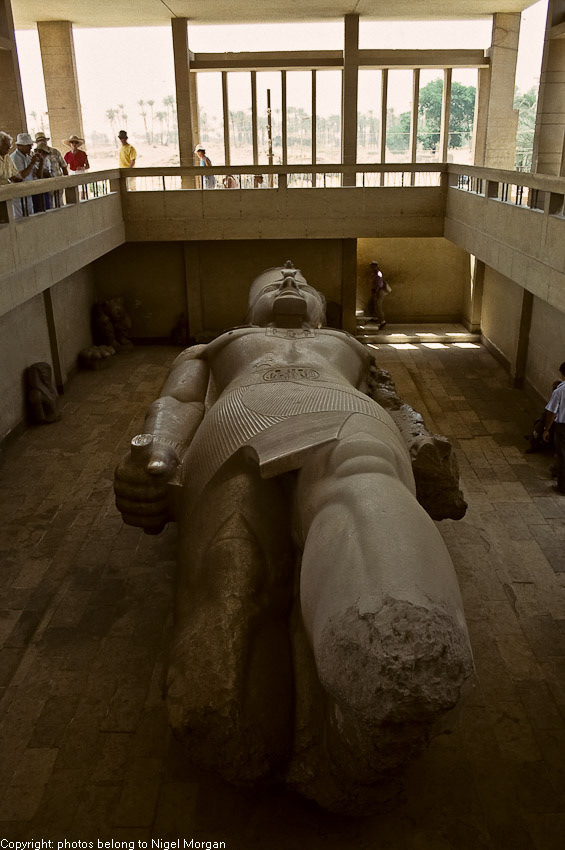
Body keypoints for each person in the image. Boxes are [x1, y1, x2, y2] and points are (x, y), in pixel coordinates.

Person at [114, 262, 473, 813]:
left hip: (345, 414)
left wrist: (424, 448)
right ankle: (274, 716)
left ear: (319, 307)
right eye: (274, 279)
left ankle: (396, 653)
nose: (288, 278)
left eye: (300, 280)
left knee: (364, 480)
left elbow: (393, 403)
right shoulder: (218, 346)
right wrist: (157, 452)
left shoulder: (347, 343)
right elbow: (181, 403)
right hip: (240, 419)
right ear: (248, 308)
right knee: (235, 576)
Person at [543, 362, 565, 494]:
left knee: (562, 456)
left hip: (563, 427)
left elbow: (552, 412)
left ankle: (562, 487)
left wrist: (546, 429)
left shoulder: (560, 391)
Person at [10, 132, 41, 218]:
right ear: (20, 146)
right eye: (27, 145)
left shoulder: (27, 157)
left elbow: (37, 173)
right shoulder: (14, 158)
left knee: (30, 217)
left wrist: (40, 161)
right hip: (18, 195)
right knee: (20, 219)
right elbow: (21, 176)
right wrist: (32, 163)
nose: (30, 148)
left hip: (28, 193)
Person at [35, 131, 67, 208]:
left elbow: (63, 166)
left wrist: (66, 180)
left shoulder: (55, 152)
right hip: (45, 185)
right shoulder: (35, 155)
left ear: (46, 141)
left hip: (58, 181)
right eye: (39, 141)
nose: (42, 142)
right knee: (48, 204)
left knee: (59, 203)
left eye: (43, 140)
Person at [367, 259, 391, 329]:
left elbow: (379, 284)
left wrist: (376, 293)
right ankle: (375, 318)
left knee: (378, 306)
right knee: (371, 304)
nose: (372, 268)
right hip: (376, 291)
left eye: (373, 266)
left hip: (379, 291)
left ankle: (382, 321)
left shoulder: (378, 274)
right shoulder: (374, 273)